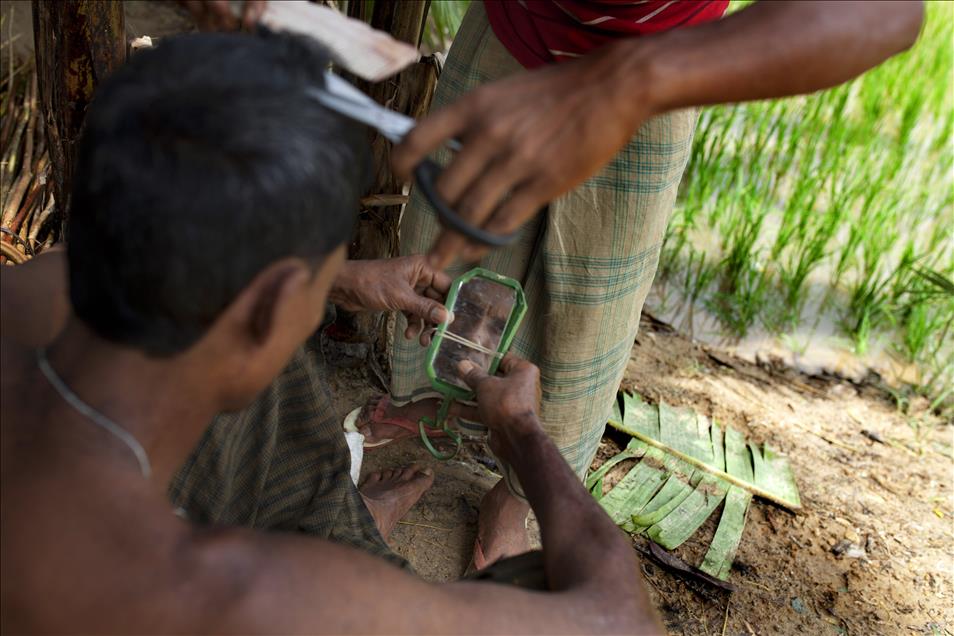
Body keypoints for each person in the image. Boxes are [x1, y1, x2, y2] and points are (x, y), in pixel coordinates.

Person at [0, 29, 663, 633]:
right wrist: (522, 433)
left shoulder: (33, 290)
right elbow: (618, 618)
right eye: (318, 288)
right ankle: (335, 534)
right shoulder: (236, 595)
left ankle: (328, 520)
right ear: (271, 301)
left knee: (250, 383)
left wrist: (340, 277)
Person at [353, 0, 926, 570]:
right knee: (450, 255)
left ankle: (515, 502)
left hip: (662, 61)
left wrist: (630, 80)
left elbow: (888, 12)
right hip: (518, 24)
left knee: (589, 317)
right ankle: (438, 406)